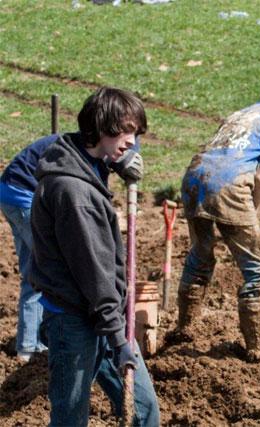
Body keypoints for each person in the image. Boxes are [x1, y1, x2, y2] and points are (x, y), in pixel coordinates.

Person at [30, 87, 160, 426]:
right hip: (75, 322)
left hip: (103, 316)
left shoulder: (83, 160)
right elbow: (95, 272)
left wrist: (112, 165)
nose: (133, 142)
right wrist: (119, 340)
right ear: (101, 127)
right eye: (126, 131)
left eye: (136, 133)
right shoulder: (74, 195)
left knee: (145, 414)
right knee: (71, 419)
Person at [177, 72, 260, 360]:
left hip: (194, 177)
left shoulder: (243, 114)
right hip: (228, 184)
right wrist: (252, 212)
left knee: (200, 255)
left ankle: (184, 328)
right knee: (259, 266)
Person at [1, 136, 58, 362]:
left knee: (33, 273)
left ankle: (27, 347)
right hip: (24, 197)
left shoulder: (76, 144)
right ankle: (38, 344)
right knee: (48, 272)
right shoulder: (81, 151)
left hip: (8, 194)